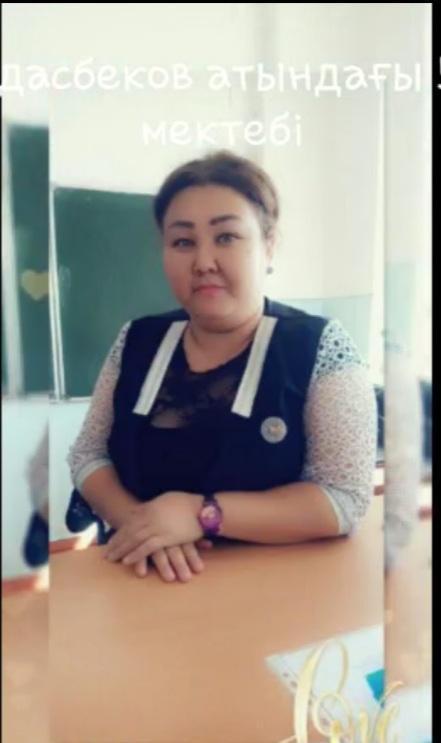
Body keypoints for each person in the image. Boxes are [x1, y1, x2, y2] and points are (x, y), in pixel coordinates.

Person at [67, 150, 377, 584]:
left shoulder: (320, 345)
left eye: (226, 237)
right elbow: (87, 454)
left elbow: (343, 498)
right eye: (183, 242)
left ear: (269, 245)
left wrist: (202, 514)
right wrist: (145, 526)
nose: (203, 262)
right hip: (138, 578)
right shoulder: (136, 339)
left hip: (272, 591)